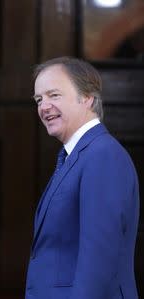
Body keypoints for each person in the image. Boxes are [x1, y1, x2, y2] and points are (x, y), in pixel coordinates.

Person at [26, 56, 140, 299]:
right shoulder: (75, 156)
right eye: (38, 99)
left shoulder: (102, 156)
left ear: (87, 97)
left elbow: (98, 258)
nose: (43, 106)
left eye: (54, 95)